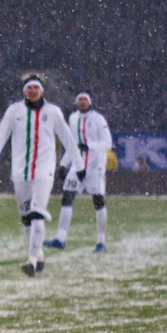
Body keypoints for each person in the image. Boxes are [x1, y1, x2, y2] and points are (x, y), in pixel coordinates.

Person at [0, 75, 85, 276]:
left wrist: (79, 165)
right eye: (29, 87)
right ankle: (38, 253)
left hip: (44, 171)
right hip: (20, 173)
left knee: (37, 214)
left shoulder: (53, 112)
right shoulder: (14, 111)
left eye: (36, 87)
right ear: (24, 91)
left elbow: (67, 139)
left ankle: (31, 261)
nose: (33, 91)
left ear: (42, 90)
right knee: (26, 219)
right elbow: (0, 135)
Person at [45, 91, 112, 252]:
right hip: (77, 165)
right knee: (67, 197)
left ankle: (100, 242)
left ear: (89, 101)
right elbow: (72, 143)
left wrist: (90, 146)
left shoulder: (98, 119)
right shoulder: (73, 119)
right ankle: (60, 239)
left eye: (85, 99)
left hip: (95, 166)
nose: (82, 102)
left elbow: (108, 142)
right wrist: (64, 164)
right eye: (80, 99)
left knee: (98, 201)